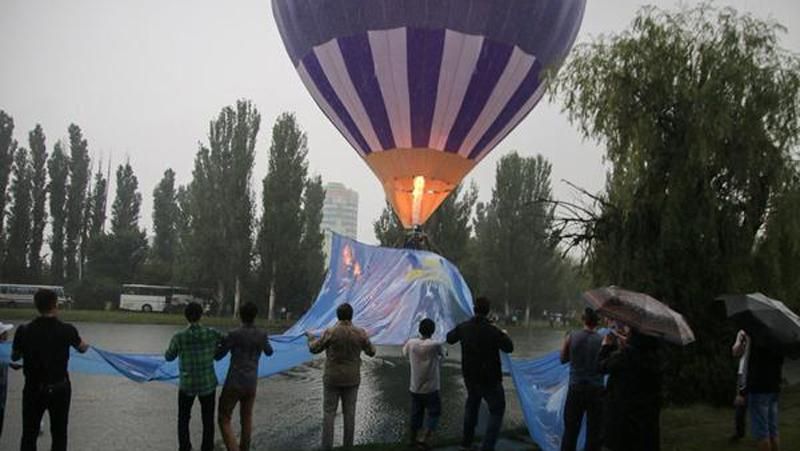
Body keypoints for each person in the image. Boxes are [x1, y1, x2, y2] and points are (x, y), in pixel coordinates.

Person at [11, 289, 89, 451]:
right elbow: (82, 348)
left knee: (29, 433)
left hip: (33, 389)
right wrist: (85, 344)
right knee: (59, 433)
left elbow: (14, 357)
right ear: (55, 305)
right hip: (60, 388)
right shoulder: (67, 329)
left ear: (36, 306)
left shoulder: (24, 330)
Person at [446, 296, 514, 451]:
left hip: (470, 376)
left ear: (474, 309)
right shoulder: (493, 331)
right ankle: (487, 446)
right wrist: (503, 333)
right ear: (488, 311)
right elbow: (509, 347)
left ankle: (466, 443)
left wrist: (459, 328)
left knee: (472, 406)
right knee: (497, 410)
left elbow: (449, 339)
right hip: (490, 378)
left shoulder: (464, 327)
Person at [306, 303, 376, 450]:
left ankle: (327, 447)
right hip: (352, 379)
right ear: (351, 315)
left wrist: (310, 337)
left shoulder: (331, 332)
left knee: (329, 413)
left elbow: (314, 349)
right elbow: (372, 352)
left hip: (332, 378)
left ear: (337, 315)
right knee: (349, 413)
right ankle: (348, 447)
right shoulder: (360, 333)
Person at [165, 302, 224, 451]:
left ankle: (185, 448)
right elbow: (228, 340)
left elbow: (169, 357)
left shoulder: (179, 337)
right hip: (207, 383)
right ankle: (207, 448)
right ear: (201, 315)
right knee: (208, 419)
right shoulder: (211, 333)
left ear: (186, 316)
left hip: (187, 384)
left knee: (183, 419)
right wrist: (217, 353)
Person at [215, 302, 274, 451]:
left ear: (240, 315)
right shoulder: (262, 334)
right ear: (255, 316)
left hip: (234, 381)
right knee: (246, 418)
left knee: (224, 417)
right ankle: (244, 448)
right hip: (251, 382)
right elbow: (269, 351)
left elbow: (218, 356)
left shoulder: (234, 334)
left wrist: (219, 343)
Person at [597, 325, 662, 451]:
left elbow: (601, 367)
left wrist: (606, 346)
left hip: (622, 420)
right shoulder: (654, 357)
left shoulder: (625, 356)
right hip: (646, 419)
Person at [559, 308, 604, 451]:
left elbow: (563, 359)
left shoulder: (571, 336)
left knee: (570, 431)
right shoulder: (603, 340)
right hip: (596, 391)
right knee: (594, 432)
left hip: (576, 389)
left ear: (583, 319)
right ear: (597, 322)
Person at [402, 318, 446, 449]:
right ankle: (424, 438)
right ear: (433, 331)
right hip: (431, 388)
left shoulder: (411, 343)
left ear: (419, 329)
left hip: (415, 387)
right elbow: (443, 355)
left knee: (416, 413)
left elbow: (404, 353)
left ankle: (412, 439)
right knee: (435, 413)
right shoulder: (435, 345)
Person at [746, 336, 784, 451]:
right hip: (774, 385)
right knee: (773, 430)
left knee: (762, 433)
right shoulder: (781, 335)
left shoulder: (757, 332)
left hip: (759, 387)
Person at [731, 329, 751, 442]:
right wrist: (741, 341)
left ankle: (764, 435)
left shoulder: (763, 331)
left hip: (755, 373)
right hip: (742, 373)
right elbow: (735, 352)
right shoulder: (742, 332)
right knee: (739, 406)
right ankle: (739, 433)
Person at [0, 321, 14, 439]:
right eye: (5, 332)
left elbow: (16, 364)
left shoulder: (4, 352)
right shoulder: (3, 353)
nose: (7, 334)